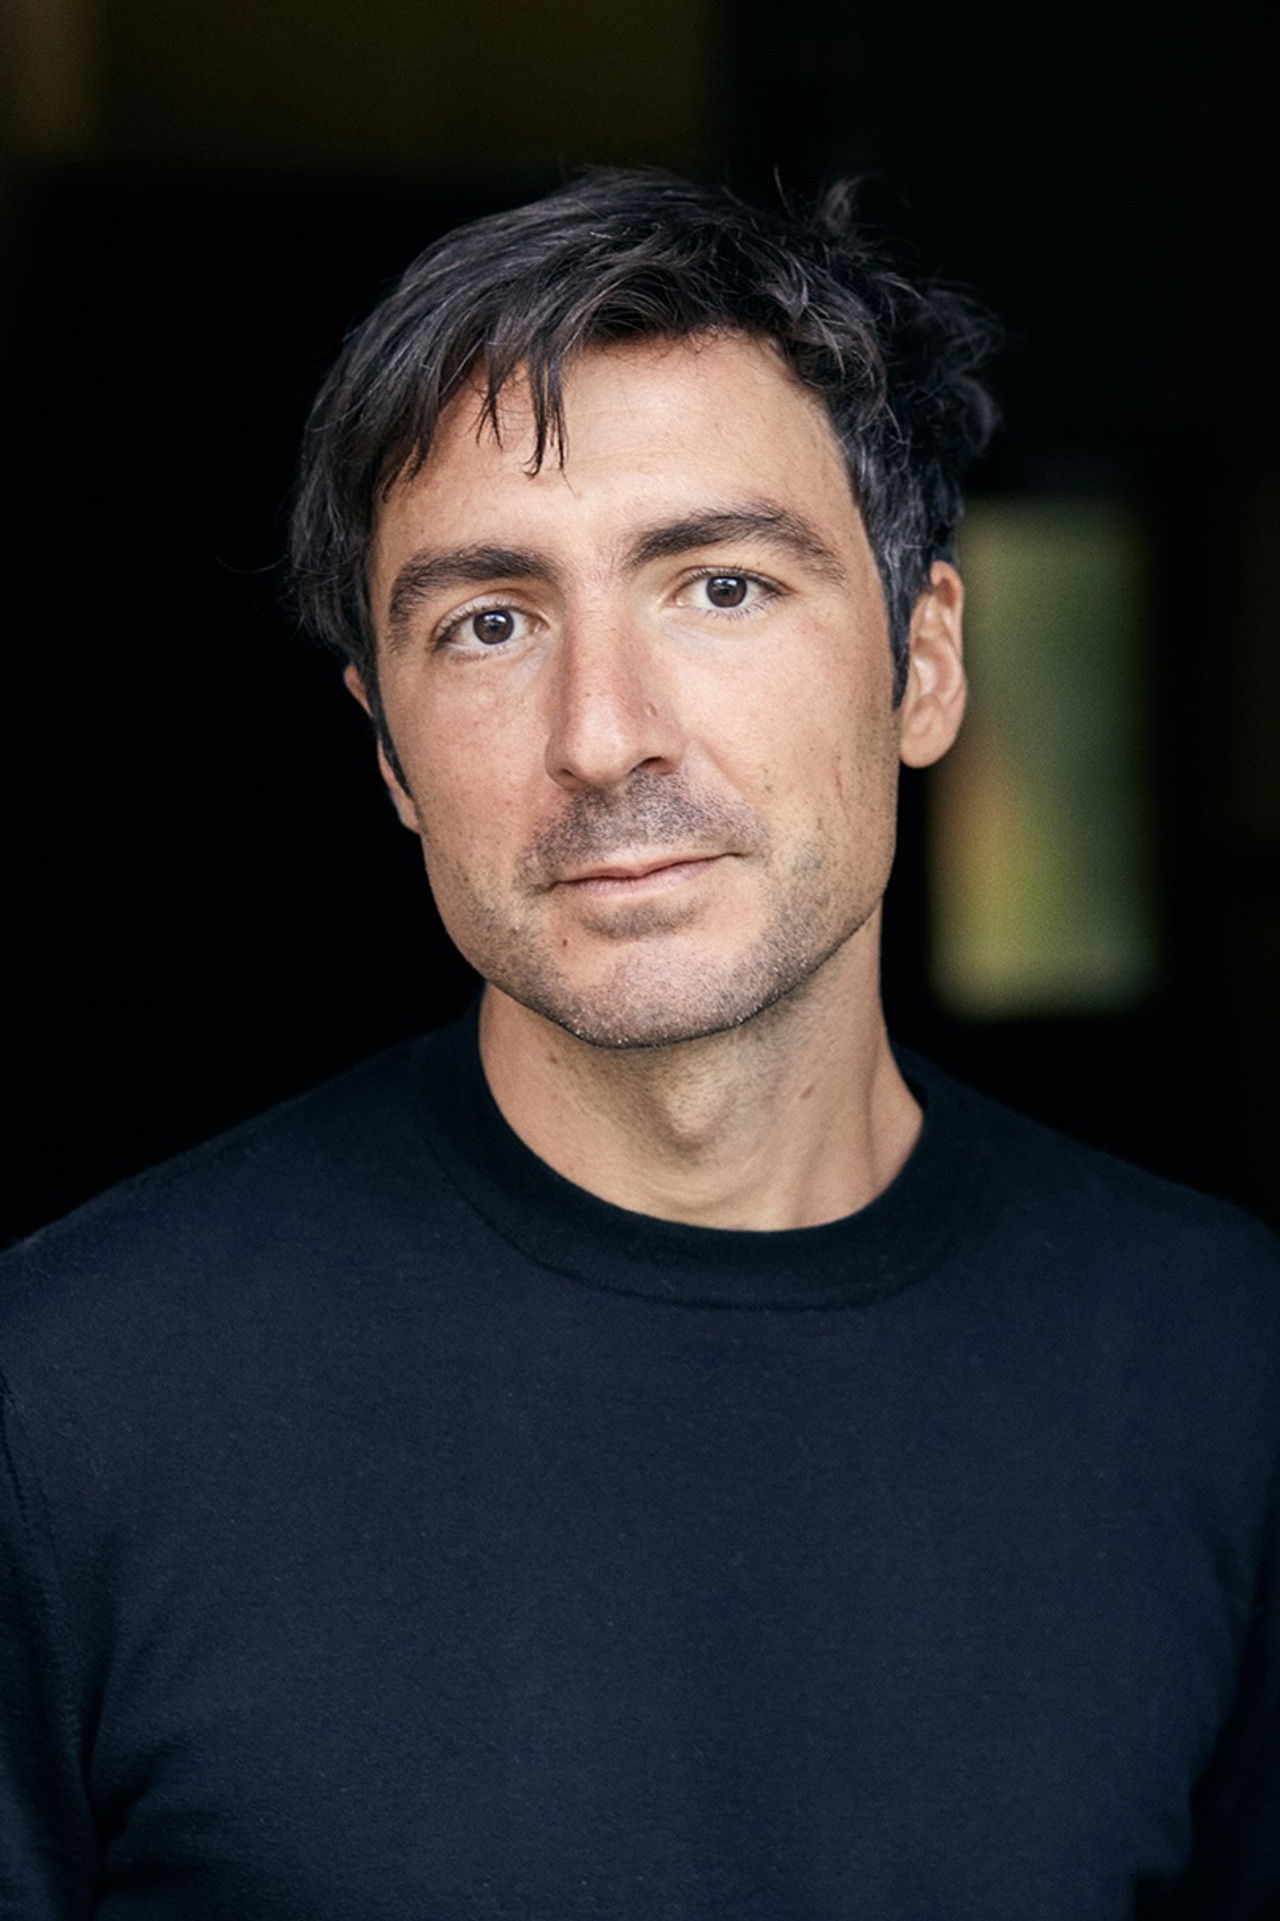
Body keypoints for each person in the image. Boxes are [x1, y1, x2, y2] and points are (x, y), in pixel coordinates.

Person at [1, 170, 1276, 1920]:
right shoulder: (63, 1403)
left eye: (722, 587)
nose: (604, 735)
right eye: (490, 622)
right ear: (387, 753)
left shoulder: (1225, 1369)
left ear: (922, 662)